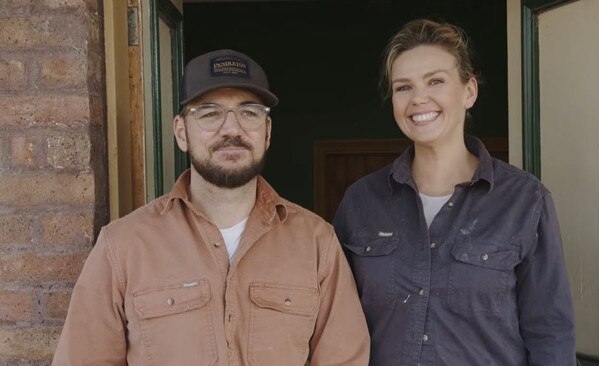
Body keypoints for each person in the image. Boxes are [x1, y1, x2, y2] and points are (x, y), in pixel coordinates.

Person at [53, 49, 370, 366]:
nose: (232, 129)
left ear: (268, 132)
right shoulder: (122, 247)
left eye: (249, 113)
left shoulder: (317, 245)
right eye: (209, 113)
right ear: (181, 132)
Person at [333, 19, 576, 365]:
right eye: (403, 87)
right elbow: (332, 325)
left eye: (435, 81)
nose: (419, 99)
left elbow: (551, 335)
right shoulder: (361, 202)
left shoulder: (525, 201)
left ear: (469, 91)